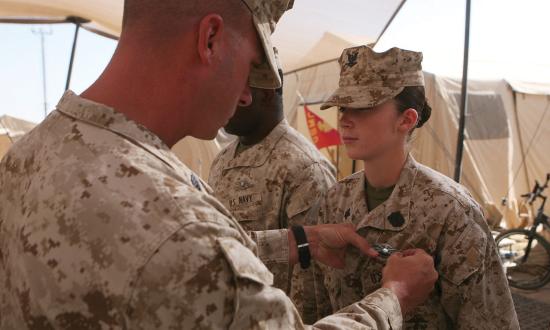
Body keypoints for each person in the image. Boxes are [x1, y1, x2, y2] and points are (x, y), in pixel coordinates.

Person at [0, 1, 438, 329]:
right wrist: (395, 296)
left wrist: (297, 241)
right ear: (210, 39)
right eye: (251, 66)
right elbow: (190, 257)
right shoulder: (183, 233)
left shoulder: (28, 156)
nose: (247, 94)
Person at [309, 45, 519, 329]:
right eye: (344, 106)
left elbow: (491, 322)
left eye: (363, 106)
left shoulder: (451, 212)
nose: (344, 119)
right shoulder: (335, 200)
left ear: (406, 119)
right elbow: (319, 307)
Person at [209, 62, 336, 322]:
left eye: (234, 89)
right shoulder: (222, 160)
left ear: (266, 93)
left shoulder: (303, 167)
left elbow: (312, 286)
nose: (220, 97)